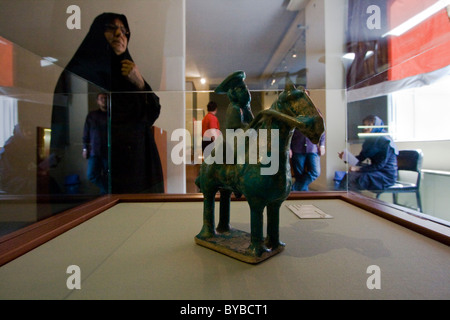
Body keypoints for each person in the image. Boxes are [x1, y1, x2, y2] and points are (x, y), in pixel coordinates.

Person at [51, 12, 164, 194]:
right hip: (105, 152)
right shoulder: (80, 70)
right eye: (112, 28)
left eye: (124, 30)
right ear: (98, 33)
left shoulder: (130, 72)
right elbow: (63, 115)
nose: (120, 35)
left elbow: (153, 113)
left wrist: (140, 83)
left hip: (137, 160)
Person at [338, 115, 398, 191]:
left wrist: (358, 169)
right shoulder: (370, 141)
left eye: (369, 125)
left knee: (353, 179)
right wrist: (346, 157)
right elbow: (360, 158)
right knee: (348, 176)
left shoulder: (385, 141)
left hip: (385, 175)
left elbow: (380, 165)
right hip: (375, 171)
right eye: (364, 125)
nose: (365, 128)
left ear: (376, 126)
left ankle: (354, 201)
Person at [82, 92, 109, 194]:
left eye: (106, 98)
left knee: (109, 176)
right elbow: (86, 132)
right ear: (97, 101)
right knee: (91, 175)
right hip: (95, 151)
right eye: (101, 98)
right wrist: (85, 148)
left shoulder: (112, 115)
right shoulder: (92, 115)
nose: (104, 100)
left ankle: (106, 196)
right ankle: (106, 192)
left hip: (108, 151)